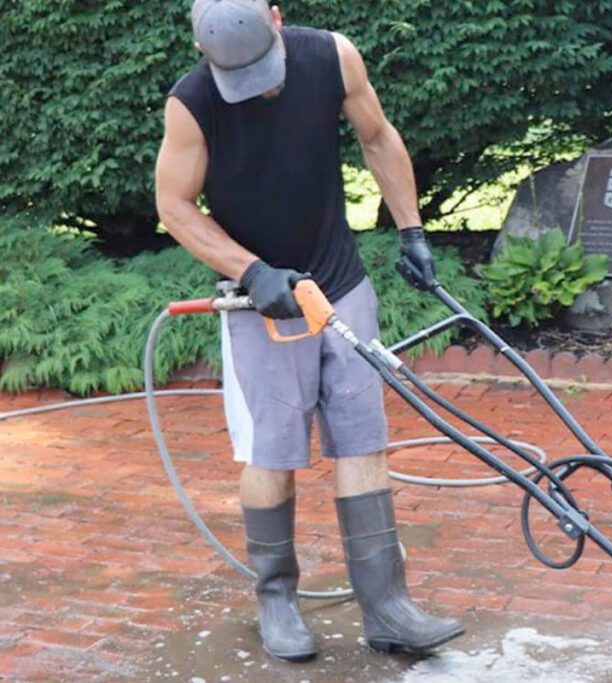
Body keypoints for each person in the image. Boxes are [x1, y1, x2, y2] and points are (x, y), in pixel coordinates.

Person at [154, 0, 462, 662]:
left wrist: (410, 228)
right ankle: (277, 600)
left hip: (340, 283)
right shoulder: (193, 102)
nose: (260, 86)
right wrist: (250, 269)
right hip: (261, 302)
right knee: (273, 451)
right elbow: (174, 204)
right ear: (206, 54)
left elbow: (377, 136)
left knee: (362, 438)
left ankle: (387, 606)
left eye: (265, 66)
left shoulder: (330, 55)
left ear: (277, 16)